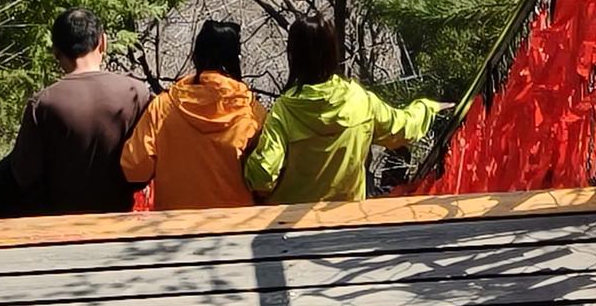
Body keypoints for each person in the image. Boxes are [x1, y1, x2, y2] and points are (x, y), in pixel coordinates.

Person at [244, 15, 442, 205]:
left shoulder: (285, 110)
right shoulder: (359, 100)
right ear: (332, 52)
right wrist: (428, 108)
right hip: (346, 222)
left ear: (294, 55)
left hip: (288, 226)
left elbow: (263, 176)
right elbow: (402, 128)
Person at [0, 8, 151, 218]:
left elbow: (24, 175)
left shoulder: (43, 104)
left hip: (59, 225)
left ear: (56, 51)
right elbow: (144, 167)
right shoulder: (136, 93)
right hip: (118, 218)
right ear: (102, 42)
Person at [120, 19, 265, 210]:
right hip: (236, 228)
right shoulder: (251, 111)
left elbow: (134, 168)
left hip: (175, 228)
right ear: (235, 59)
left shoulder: (163, 106)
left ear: (196, 56)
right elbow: (265, 178)